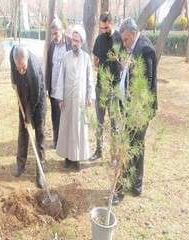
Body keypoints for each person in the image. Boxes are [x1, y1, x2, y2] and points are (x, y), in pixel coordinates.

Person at [112, 18, 157, 205]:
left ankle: (121, 190)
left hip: (139, 110)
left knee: (129, 148)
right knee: (137, 146)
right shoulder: (134, 46)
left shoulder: (145, 49)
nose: (124, 43)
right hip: (131, 108)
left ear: (133, 33)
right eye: (123, 40)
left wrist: (136, 113)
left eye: (125, 39)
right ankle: (136, 186)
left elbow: (146, 84)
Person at [54, 25, 96, 171]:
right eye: (73, 40)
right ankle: (67, 158)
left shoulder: (86, 58)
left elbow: (90, 78)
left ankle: (76, 159)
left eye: (77, 41)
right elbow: (60, 78)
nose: (74, 43)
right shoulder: (66, 57)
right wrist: (60, 98)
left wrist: (90, 96)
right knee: (67, 128)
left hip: (80, 101)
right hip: (67, 99)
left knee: (78, 129)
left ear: (82, 42)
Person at [10, 45, 46, 188]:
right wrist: (14, 79)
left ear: (27, 59)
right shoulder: (14, 55)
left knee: (39, 137)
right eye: (18, 67)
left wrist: (28, 118)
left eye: (23, 67)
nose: (20, 70)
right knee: (22, 132)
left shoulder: (34, 70)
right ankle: (20, 165)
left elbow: (35, 98)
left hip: (37, 103)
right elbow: (13, 67)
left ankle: (40, 173)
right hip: (23, 98)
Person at [90, 12, 123, 161]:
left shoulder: (119, 39)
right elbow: (95, 59)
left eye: (106, 27)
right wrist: (96, 63)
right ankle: (98, 151)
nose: (103, 30)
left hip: (115, 88)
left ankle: (114, 156)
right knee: (99, 122)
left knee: (115, 125)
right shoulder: (99, 39)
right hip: (100, 87)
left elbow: (123, 63)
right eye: (101, 28)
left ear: (111, 23)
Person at [45, 18, 71, 149]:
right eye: (53, 33)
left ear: (62, 30)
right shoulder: (51, 45)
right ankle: (56, 141)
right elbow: (48, 66)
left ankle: (65, 141)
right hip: (54, 88)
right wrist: (46, 86)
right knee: (55, 116)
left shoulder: (70, 44)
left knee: (65, 116)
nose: (54, 36)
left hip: (66, 89)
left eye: (56, 33)